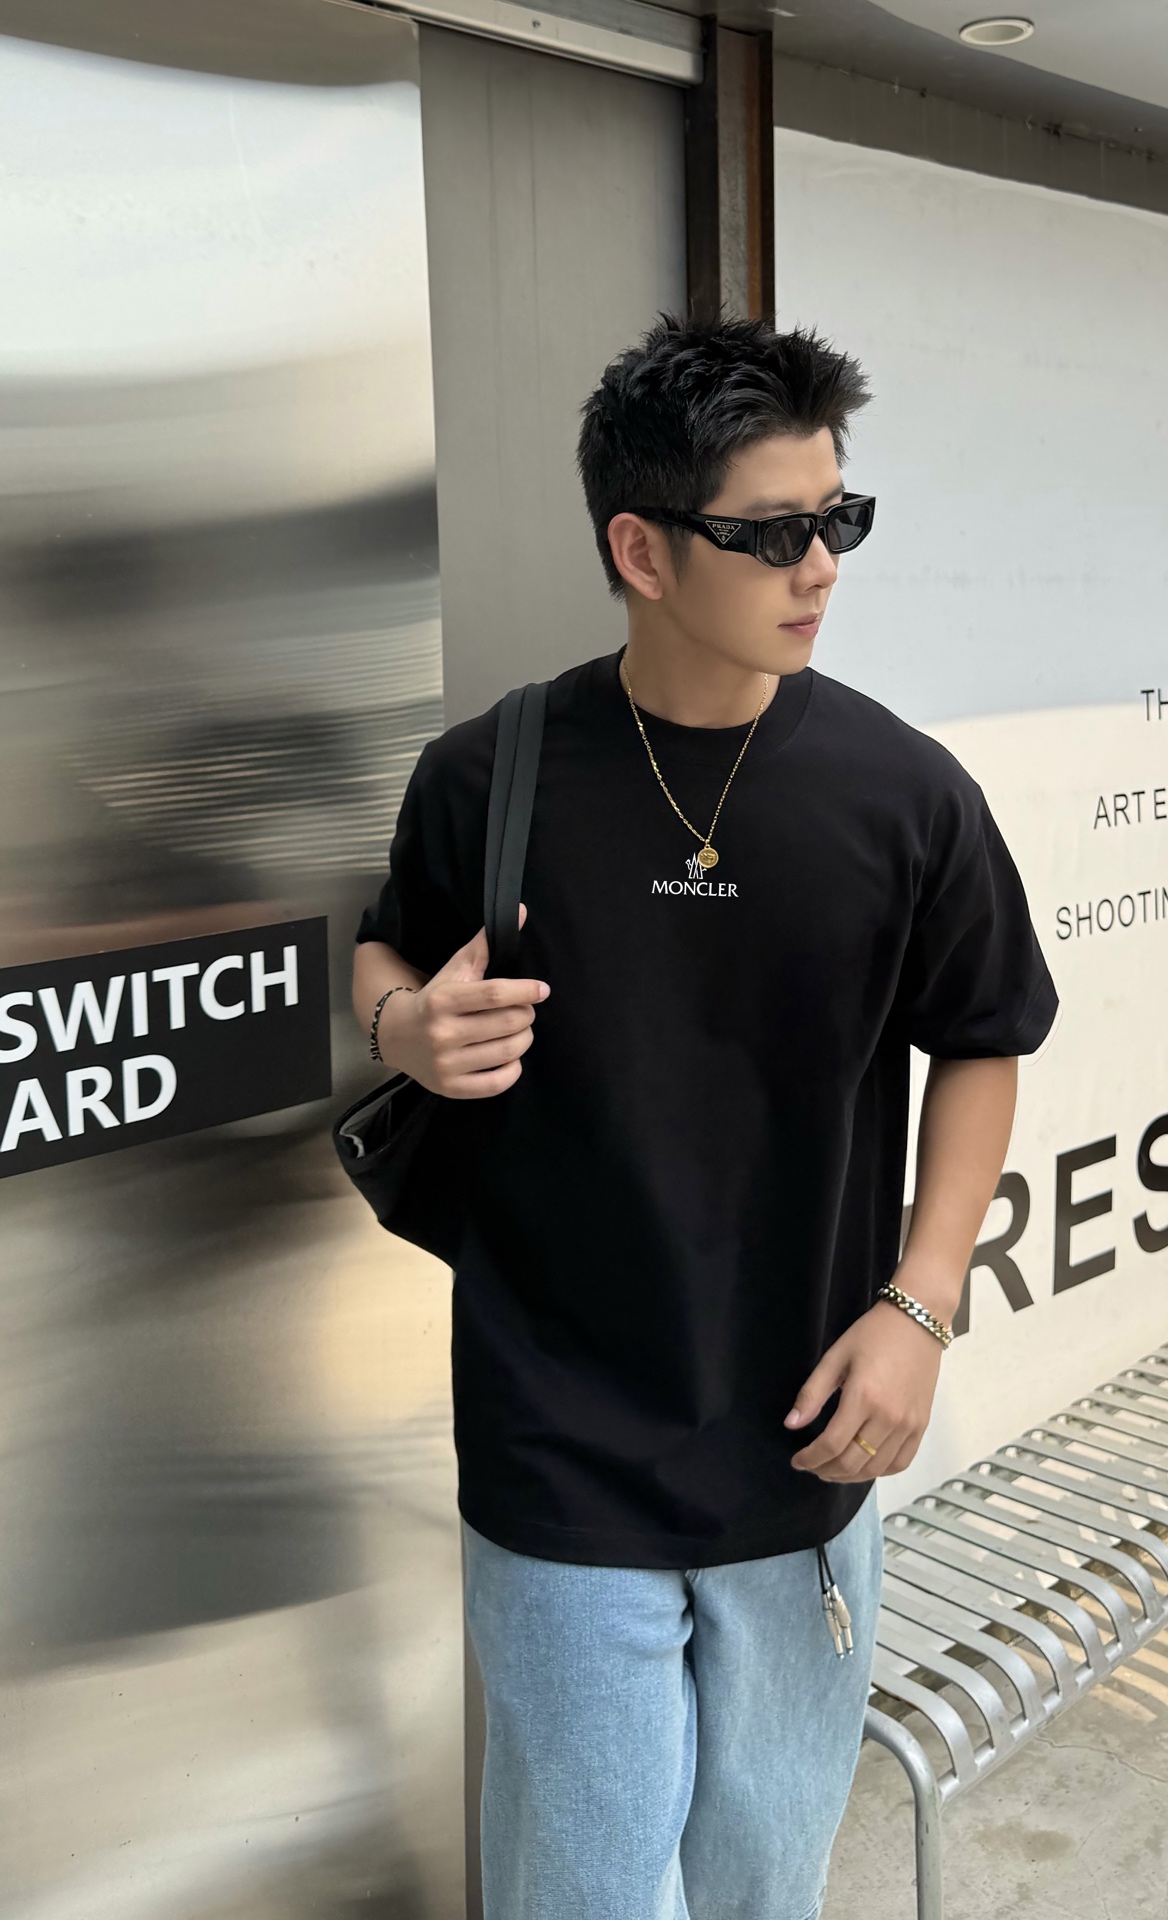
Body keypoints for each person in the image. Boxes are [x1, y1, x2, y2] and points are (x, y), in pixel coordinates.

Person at [352, 315, 1057, 1920]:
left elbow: (984, 1038)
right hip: (556, 1444)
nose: (820, 567)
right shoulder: (489, 776)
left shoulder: (904, 793)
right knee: (582, 1892)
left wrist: (921, 1307)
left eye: (839, 519)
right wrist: (405, 1026)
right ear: (642, 550)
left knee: (761, 1885)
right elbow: (386, 952)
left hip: (804, 1438)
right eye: (772, 533)